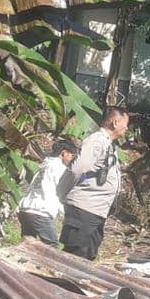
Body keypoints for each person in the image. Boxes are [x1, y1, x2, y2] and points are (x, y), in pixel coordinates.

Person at [61, 107, 129, 260]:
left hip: (95, 211)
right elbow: (76, 170)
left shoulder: (109, 144)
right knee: (74, 257)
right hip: (84, 209)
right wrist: (62, 192)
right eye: (126, 123)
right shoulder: (97, 140)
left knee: (87, 256)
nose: (127, 127)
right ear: (115, 122)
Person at [17, 138, 78, 246]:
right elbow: (59, 191)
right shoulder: (59, 168)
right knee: (52, 244)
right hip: (39, 211)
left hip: (26, 208)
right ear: (64, 153)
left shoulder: (44, 166)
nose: (72, 159)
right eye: (71, 155)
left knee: (27, 244)